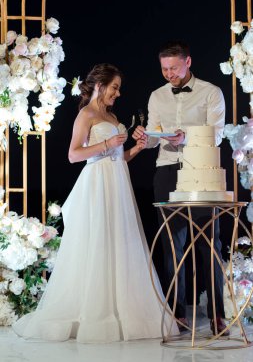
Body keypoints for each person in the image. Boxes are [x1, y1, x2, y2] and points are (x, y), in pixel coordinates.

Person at [12, 63, 179, 343]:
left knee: (119, 242)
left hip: (117, 183)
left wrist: (135, 148)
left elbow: (118, 158)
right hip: (97, 184)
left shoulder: (111, 115)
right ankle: (93, 311)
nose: (118, 93)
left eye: (118, 88)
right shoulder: (86, 114)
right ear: (100, 86)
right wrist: (108, 143)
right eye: (114, 87)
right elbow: (74, 155)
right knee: (97, 241)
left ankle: (122, 308)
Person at [132, 41, 229, 336]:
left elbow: (218, 134)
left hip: (199, 171)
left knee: (208, 243)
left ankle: (216, 315)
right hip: (166, 171)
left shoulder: (211, 92)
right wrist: (143, 136)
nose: (169, 74)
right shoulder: (156, 95)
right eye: (164, 69)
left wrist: (186, 136)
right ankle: (177, 314)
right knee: (171, 245)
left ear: (188, 62)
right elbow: (154, 138)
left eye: (173, 67)